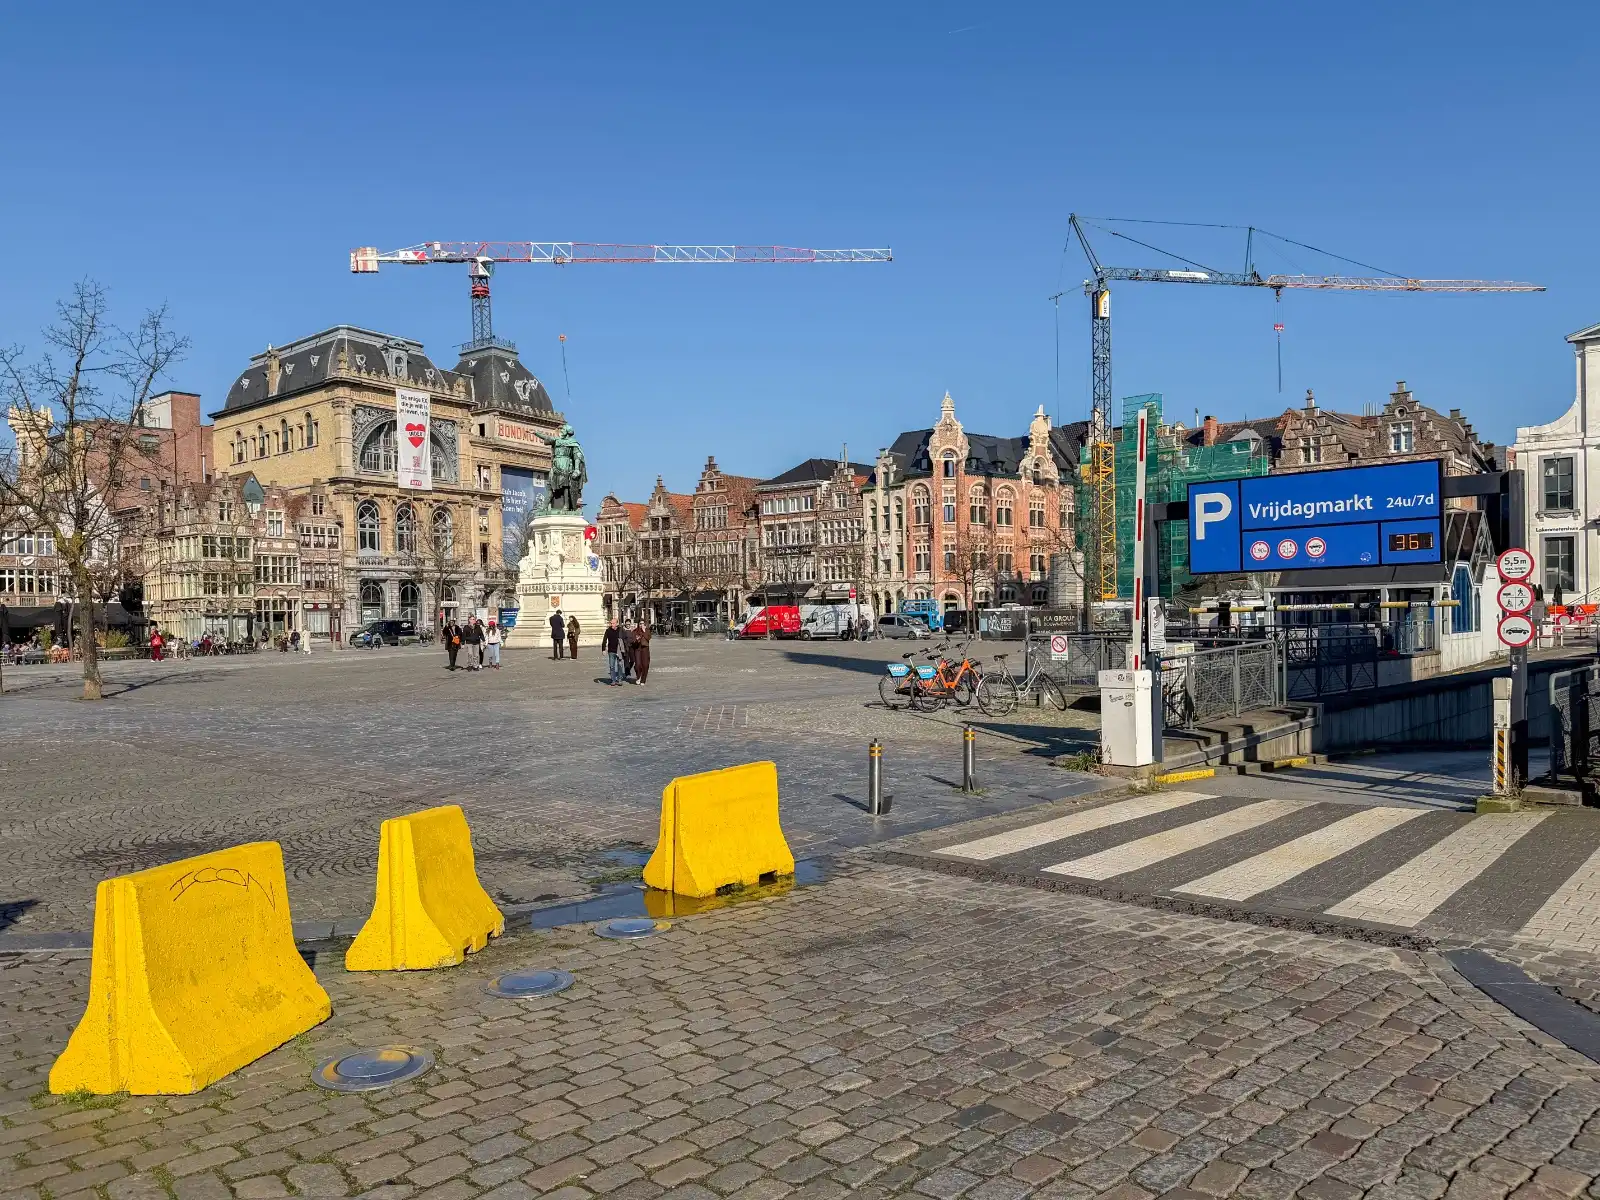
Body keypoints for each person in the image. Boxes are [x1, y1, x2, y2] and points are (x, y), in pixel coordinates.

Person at [602, 618, 624, 685]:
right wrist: (603, 649)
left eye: (613, 623)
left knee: (620, 665)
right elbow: (604, 640)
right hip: (611, 651)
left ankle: (620, 679)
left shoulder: (620, 630)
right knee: (612, 666)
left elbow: (625, 639)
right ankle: (613, 680)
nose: (612, 625)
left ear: (617, 623)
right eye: (611, 623)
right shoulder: (608, 630)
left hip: (619, 650)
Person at [631, 619, 652, 685]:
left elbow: (648, 638)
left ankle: (643, 680)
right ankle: (638, 676)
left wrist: (644, 631)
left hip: (645, 649)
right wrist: (636, 640)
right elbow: (632, 641)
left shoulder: (647, 630)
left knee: (645, 665)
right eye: (640, 624)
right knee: (637, 665)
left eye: (643, 623)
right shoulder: (635, 631)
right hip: (637, 649)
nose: (641, 625)